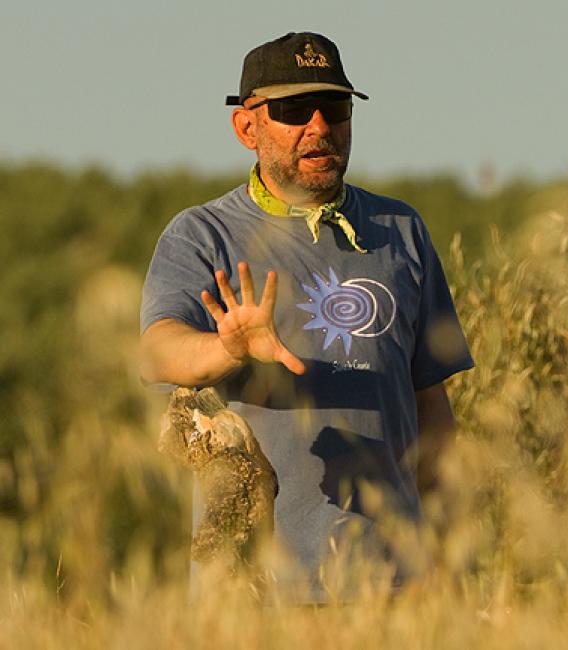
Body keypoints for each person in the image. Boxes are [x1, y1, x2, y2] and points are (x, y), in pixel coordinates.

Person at [139, 32, 474, 601]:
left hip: (396, 594)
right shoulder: (203, 235)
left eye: (335, 107)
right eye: (294, 110)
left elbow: (431, 407)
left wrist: (451, 556)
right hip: (255, 595)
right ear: (247, 128)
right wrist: (228, 350)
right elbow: (155, 353)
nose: (319, 126)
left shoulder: (402, 231)